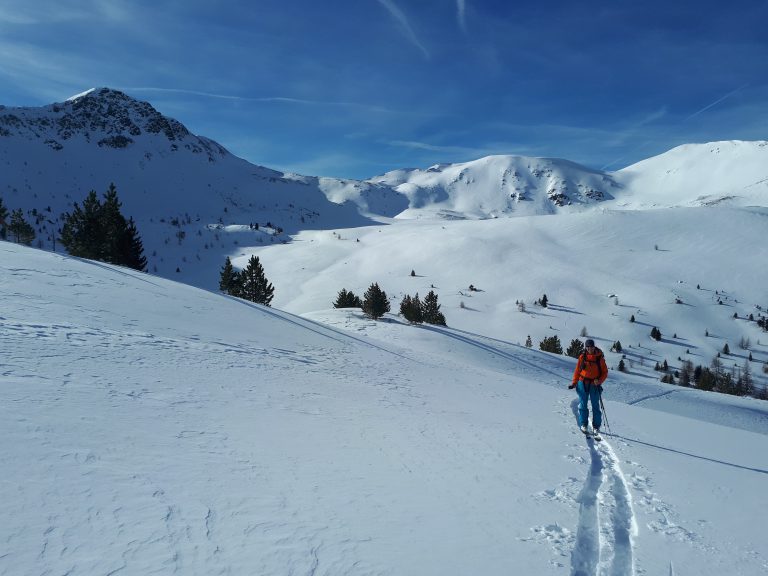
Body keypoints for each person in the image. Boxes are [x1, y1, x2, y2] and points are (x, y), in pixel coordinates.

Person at [569, 338, 608, 434]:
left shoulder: (600, 358)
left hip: (594, 385)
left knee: (595, 405)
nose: (590, 348)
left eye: (591, 346)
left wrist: (599, 381)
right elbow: (577, 371)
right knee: (583, 404)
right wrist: (574, 382)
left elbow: (605, 372)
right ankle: (584, 424)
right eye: (588, 347)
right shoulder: (582, 357)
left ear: (594, 347)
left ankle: (596, 426)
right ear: (586, 347)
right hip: (582, 383)